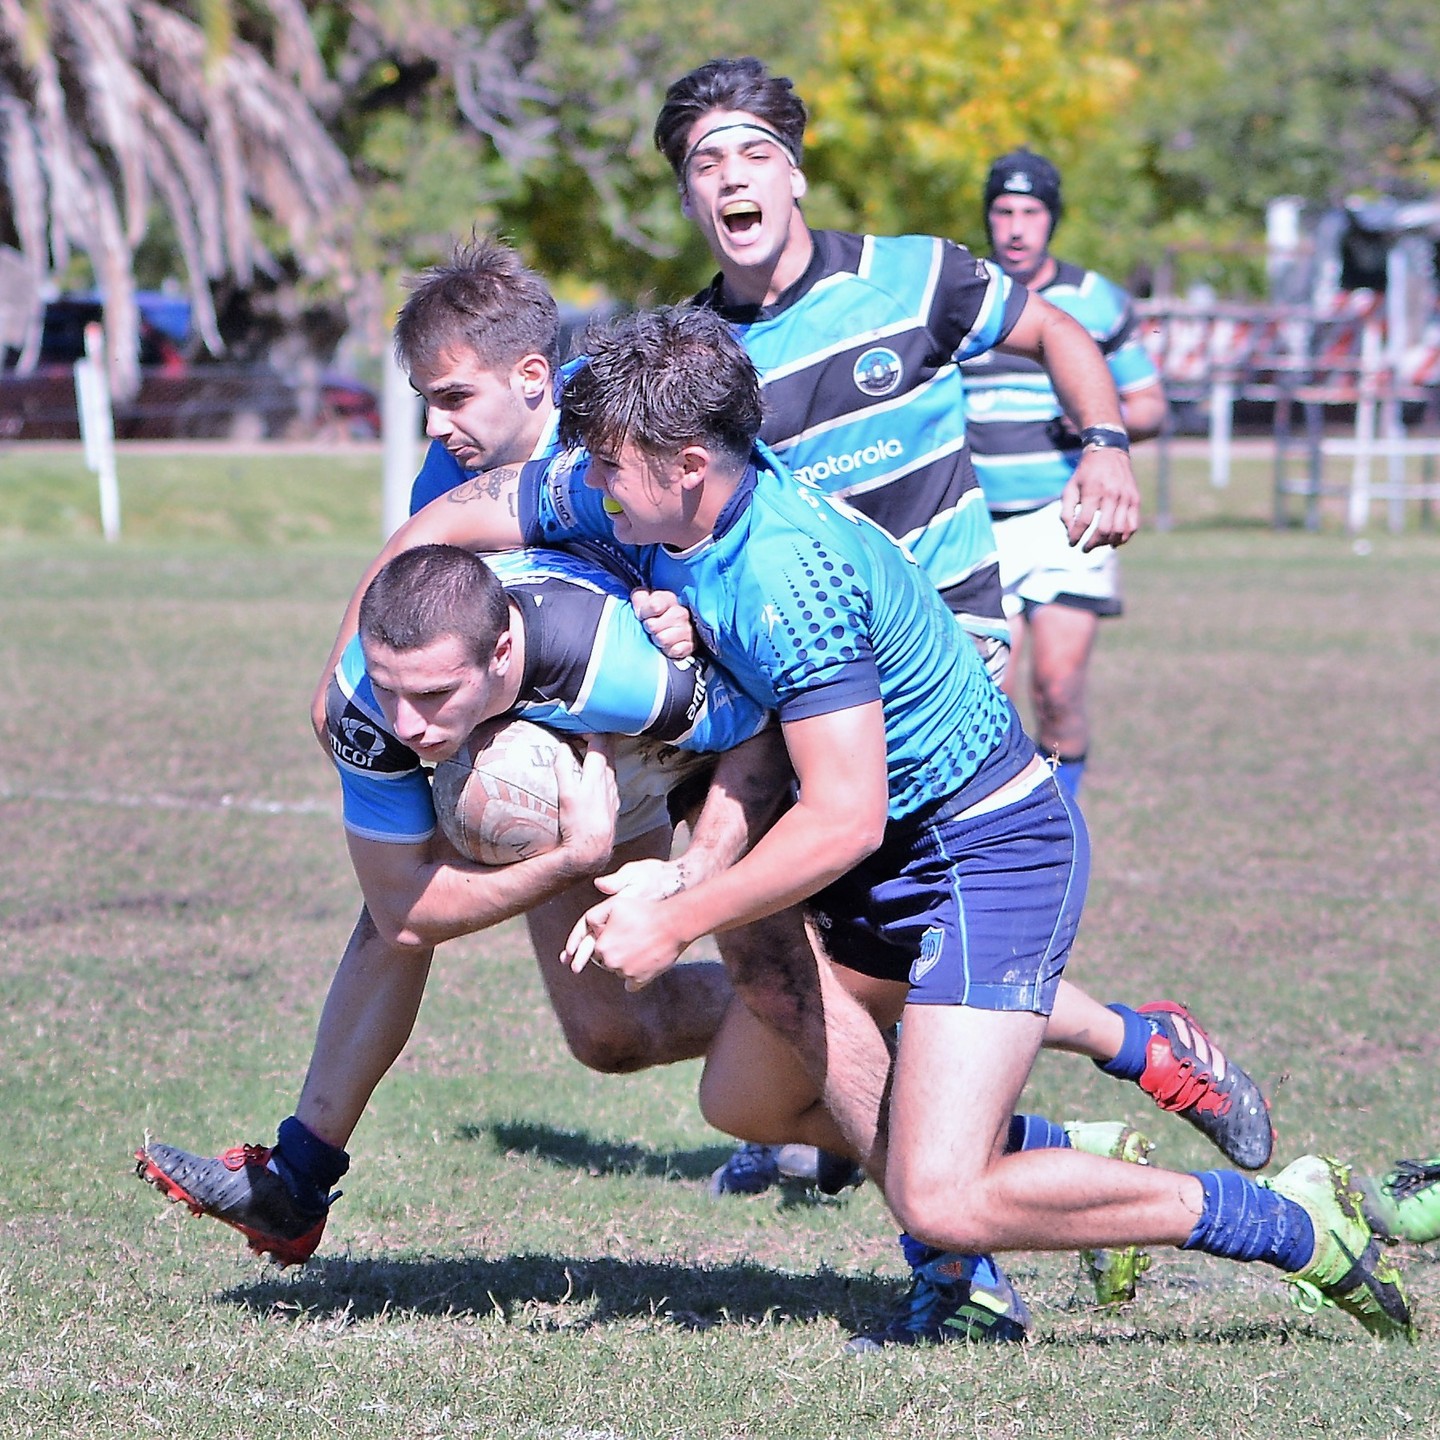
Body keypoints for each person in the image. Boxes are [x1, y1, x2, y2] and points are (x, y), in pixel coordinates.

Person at [542, 304, 1409, 1343]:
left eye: (603, 463)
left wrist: (679, 917)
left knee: (943, 1196)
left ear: (688, 462)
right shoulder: (697, 506)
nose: (589, 482)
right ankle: (1073, 1167)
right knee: (748, 1105)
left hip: (980, 851)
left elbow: (844, 816)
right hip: (890, 863)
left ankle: (1280, 1222)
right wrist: (688, 870)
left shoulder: (786, 572)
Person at [651, 55, 1151, 1197]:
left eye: (752, 154)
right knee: (826, 981)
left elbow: (1062, 337)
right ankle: (1069, 1121)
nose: (729, 177)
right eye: (703, 162)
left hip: (945, 659)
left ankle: (958, 1222)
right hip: (806, 682)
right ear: (687, 197)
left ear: (795, 173)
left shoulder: (914, 278)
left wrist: (1107, 444)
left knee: (833, 971)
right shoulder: (697, 359)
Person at [960, 150, 1168, 797]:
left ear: (1052, 219)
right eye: (1003, 212)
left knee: (1057, 688)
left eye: (1030, 212)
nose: (1016, 227)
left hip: (1065, 520)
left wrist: (1092, 430)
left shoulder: (1093, 300)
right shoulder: (964, 295)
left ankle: (1062, 818)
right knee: (986, 702)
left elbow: (1151, 404)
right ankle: (999, 830)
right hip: (977, 528)